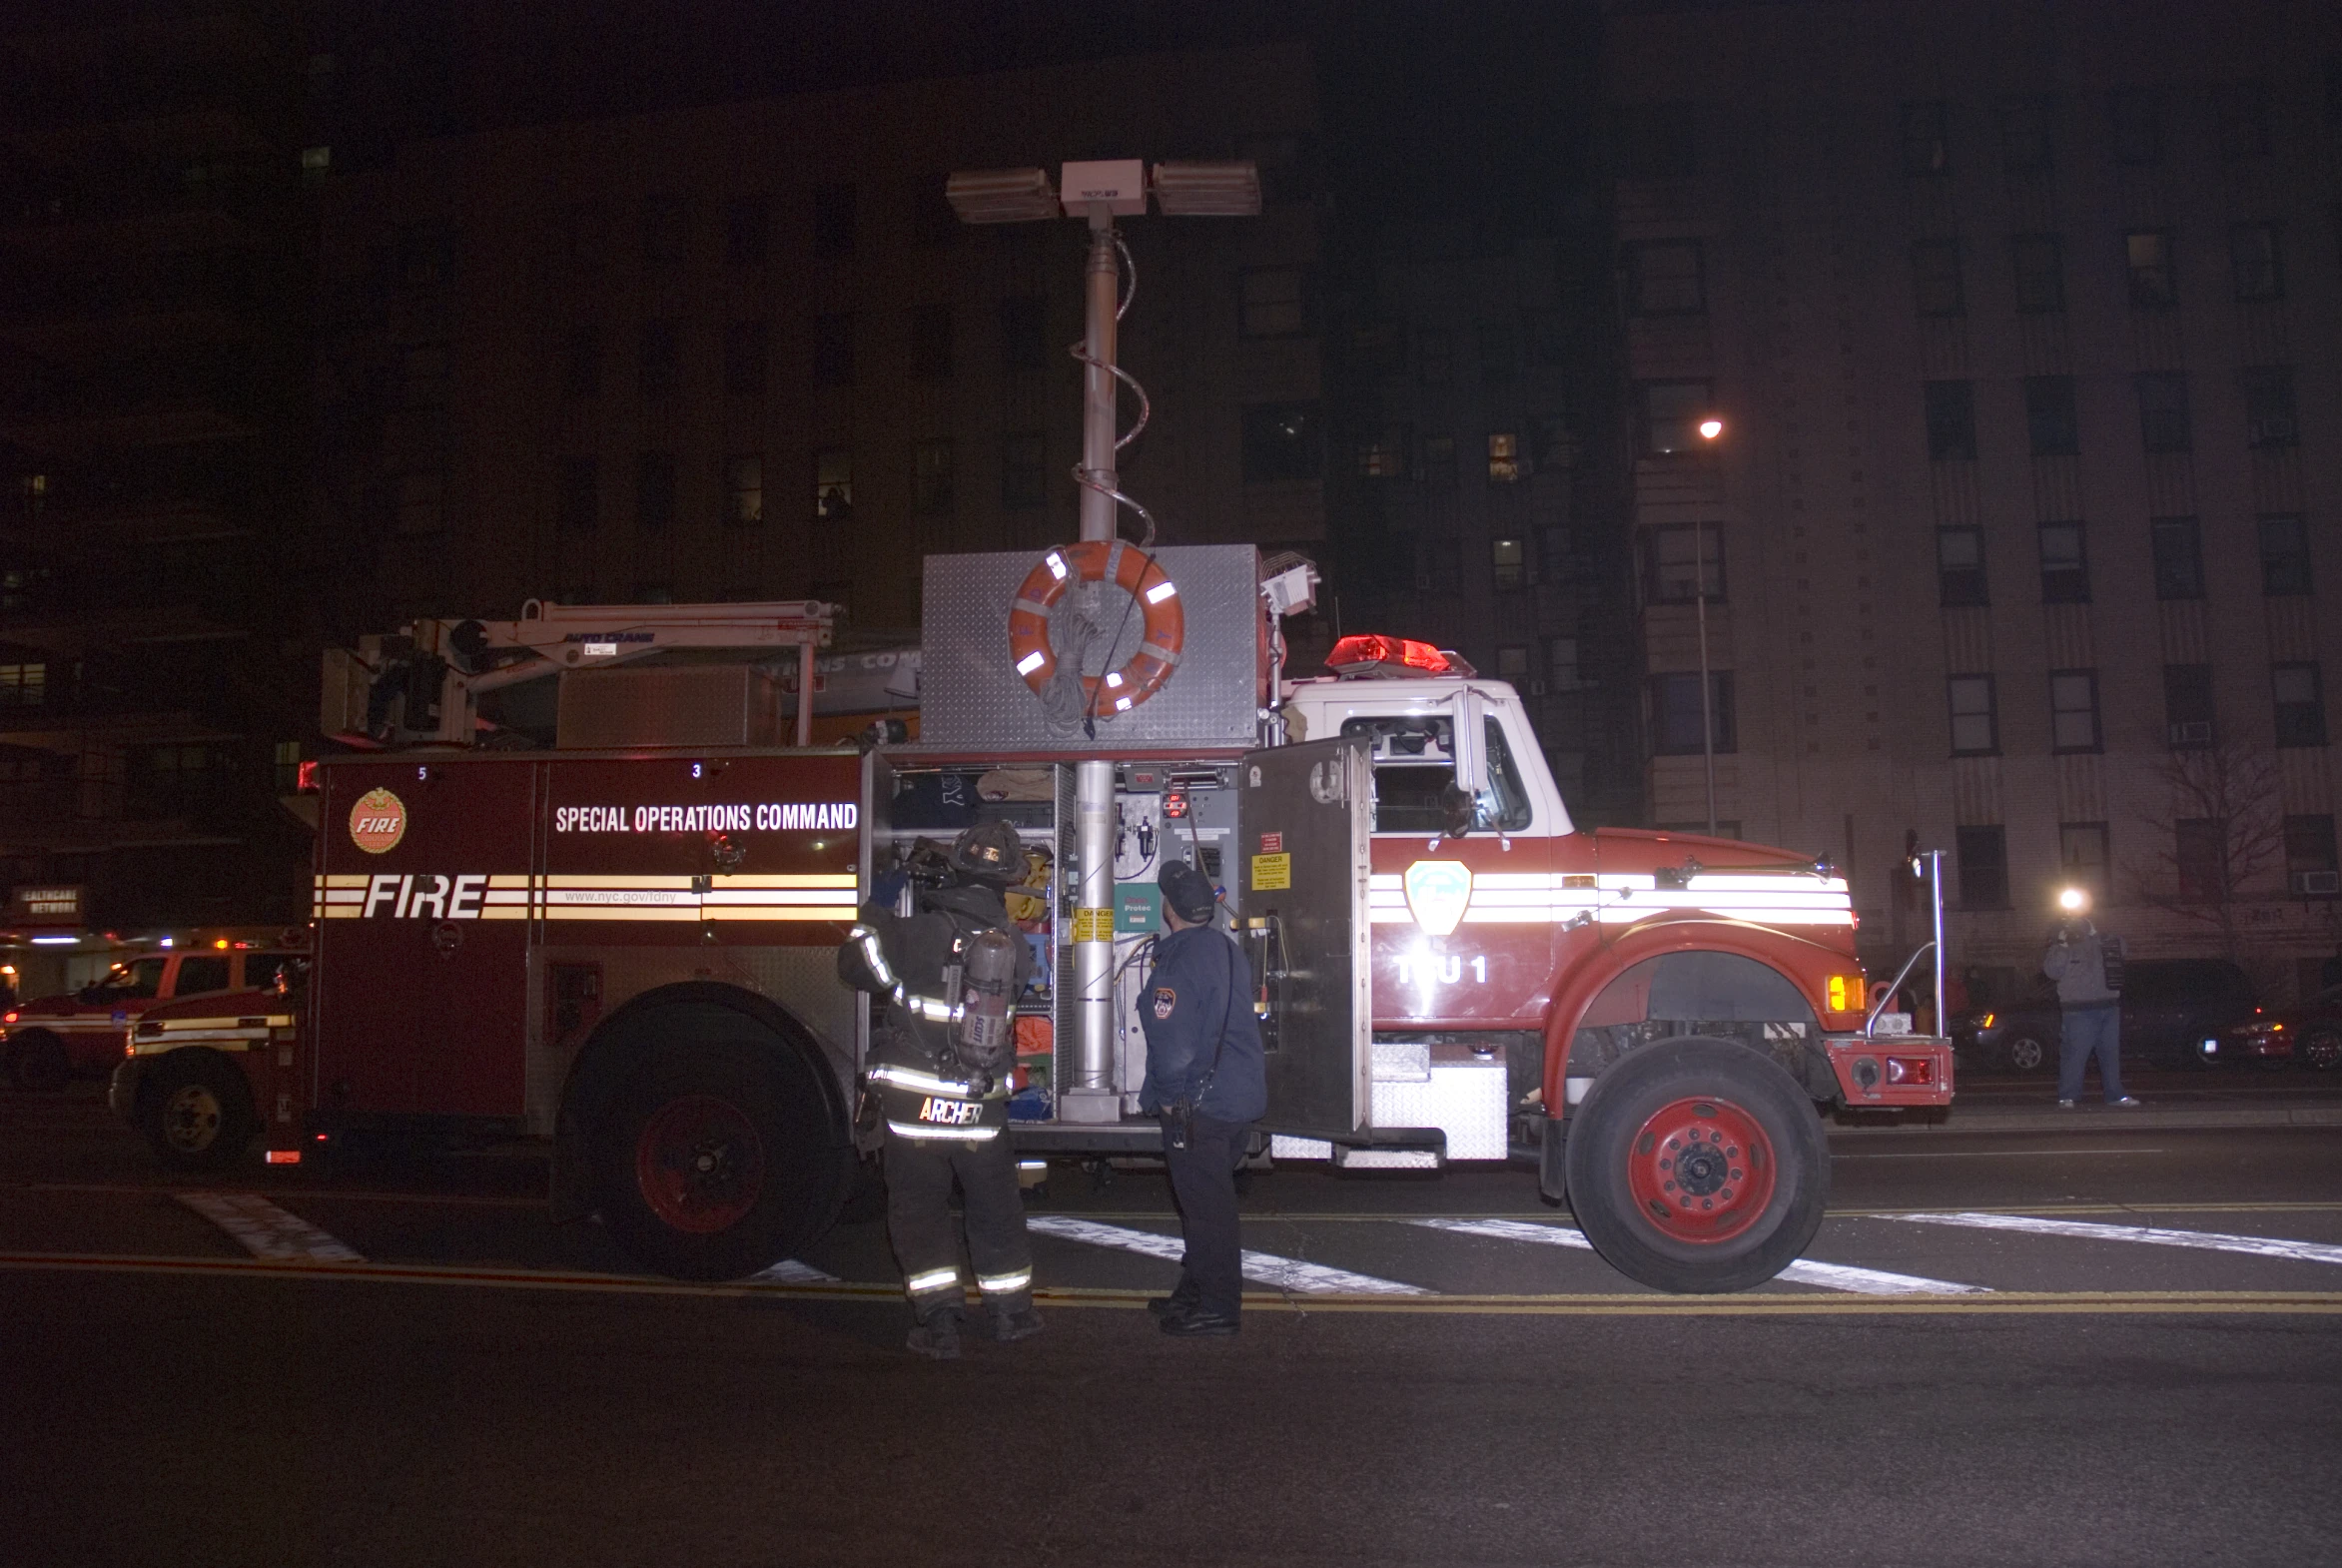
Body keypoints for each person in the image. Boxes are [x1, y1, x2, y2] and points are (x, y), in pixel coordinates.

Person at [838, 819, 1041, 1359]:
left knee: (919, 1209)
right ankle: (1011, 1315)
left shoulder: (920, 932)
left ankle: (940, 1322)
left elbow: (855, 966)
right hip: (978, 1106)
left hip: (916, 1107)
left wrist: (878, 907)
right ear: (1008, 880)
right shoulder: (1015, 946)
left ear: (958, 864)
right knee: (995, 1206)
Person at [1138, 859, 1267, 1337]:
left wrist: (1172, 1102)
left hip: (1200, 1105)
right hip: (1238, 1097)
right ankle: (1194, 1292)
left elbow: (1174, 1045)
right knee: (1203, 1202)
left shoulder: (1177, 959)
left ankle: (1218, 1307)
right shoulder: (1227, 950)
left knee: (1207, 1208)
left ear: (1168, 908)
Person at [2042, 904, 2138, 1110]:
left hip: (2109, 1006)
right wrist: (2062, 943)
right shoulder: (2061, 948)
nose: (2079, 928)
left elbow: (2123, 948)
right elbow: (2052, 971)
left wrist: (2096, 931)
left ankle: (2116, 1095)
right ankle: (2068, 1096)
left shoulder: (2102, 941)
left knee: (2110, 1055)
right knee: (2074, 1055)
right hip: (2078, 1010)